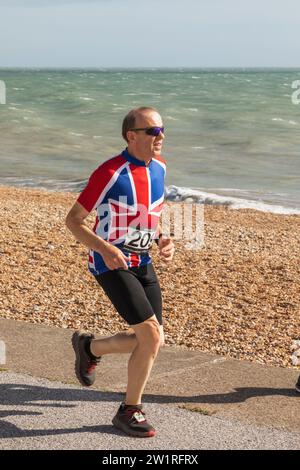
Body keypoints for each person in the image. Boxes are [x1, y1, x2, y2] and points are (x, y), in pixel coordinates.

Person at [66, 107, 175, 438]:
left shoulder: (159, 168)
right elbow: (74, 221)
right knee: (151, 336)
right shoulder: (110, 173)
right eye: (153, 131)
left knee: (153, 339)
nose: (161, 136)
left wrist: (161, 238)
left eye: (162, 129)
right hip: (110, 262)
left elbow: (148, 215)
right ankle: (130, 410)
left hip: (142, 261)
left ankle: (90, 348)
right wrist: (106, 249)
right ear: (132, 135)